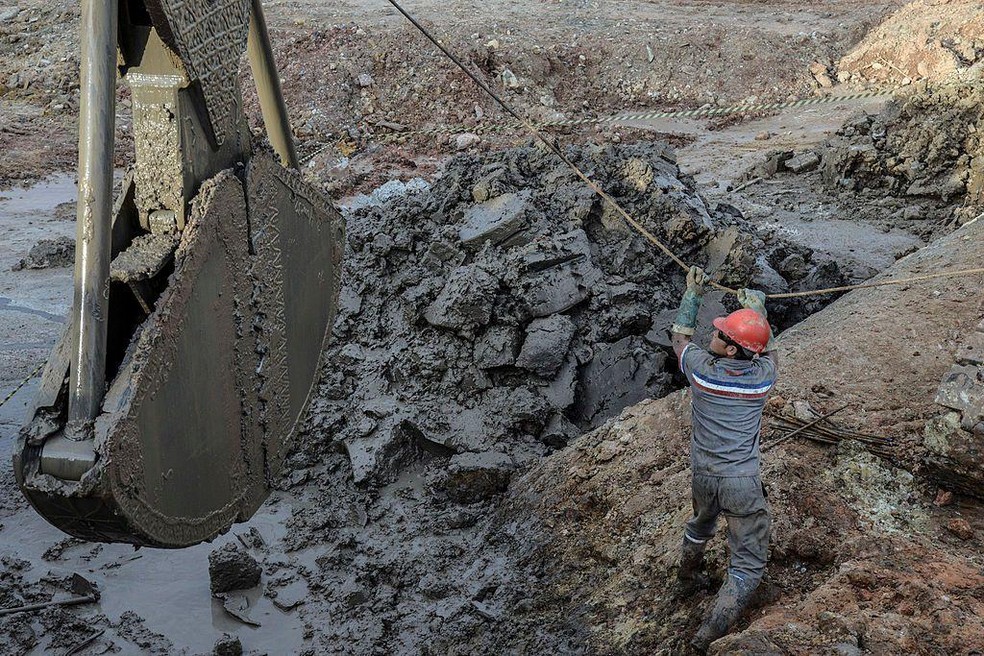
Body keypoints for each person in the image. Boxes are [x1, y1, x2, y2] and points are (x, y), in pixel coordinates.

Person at [669, 265, 778, 654]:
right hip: (742, 482)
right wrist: (759, 314)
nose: (712, 335)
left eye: (720, 333)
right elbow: (769, 351)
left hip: (704, 476)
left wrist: (692, 296)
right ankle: (705, 638)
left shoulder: (701, 372)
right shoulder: (763, 377)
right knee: (748, 563)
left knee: (701, 522)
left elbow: (679, 338)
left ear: (730, 350)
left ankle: (687, 577)